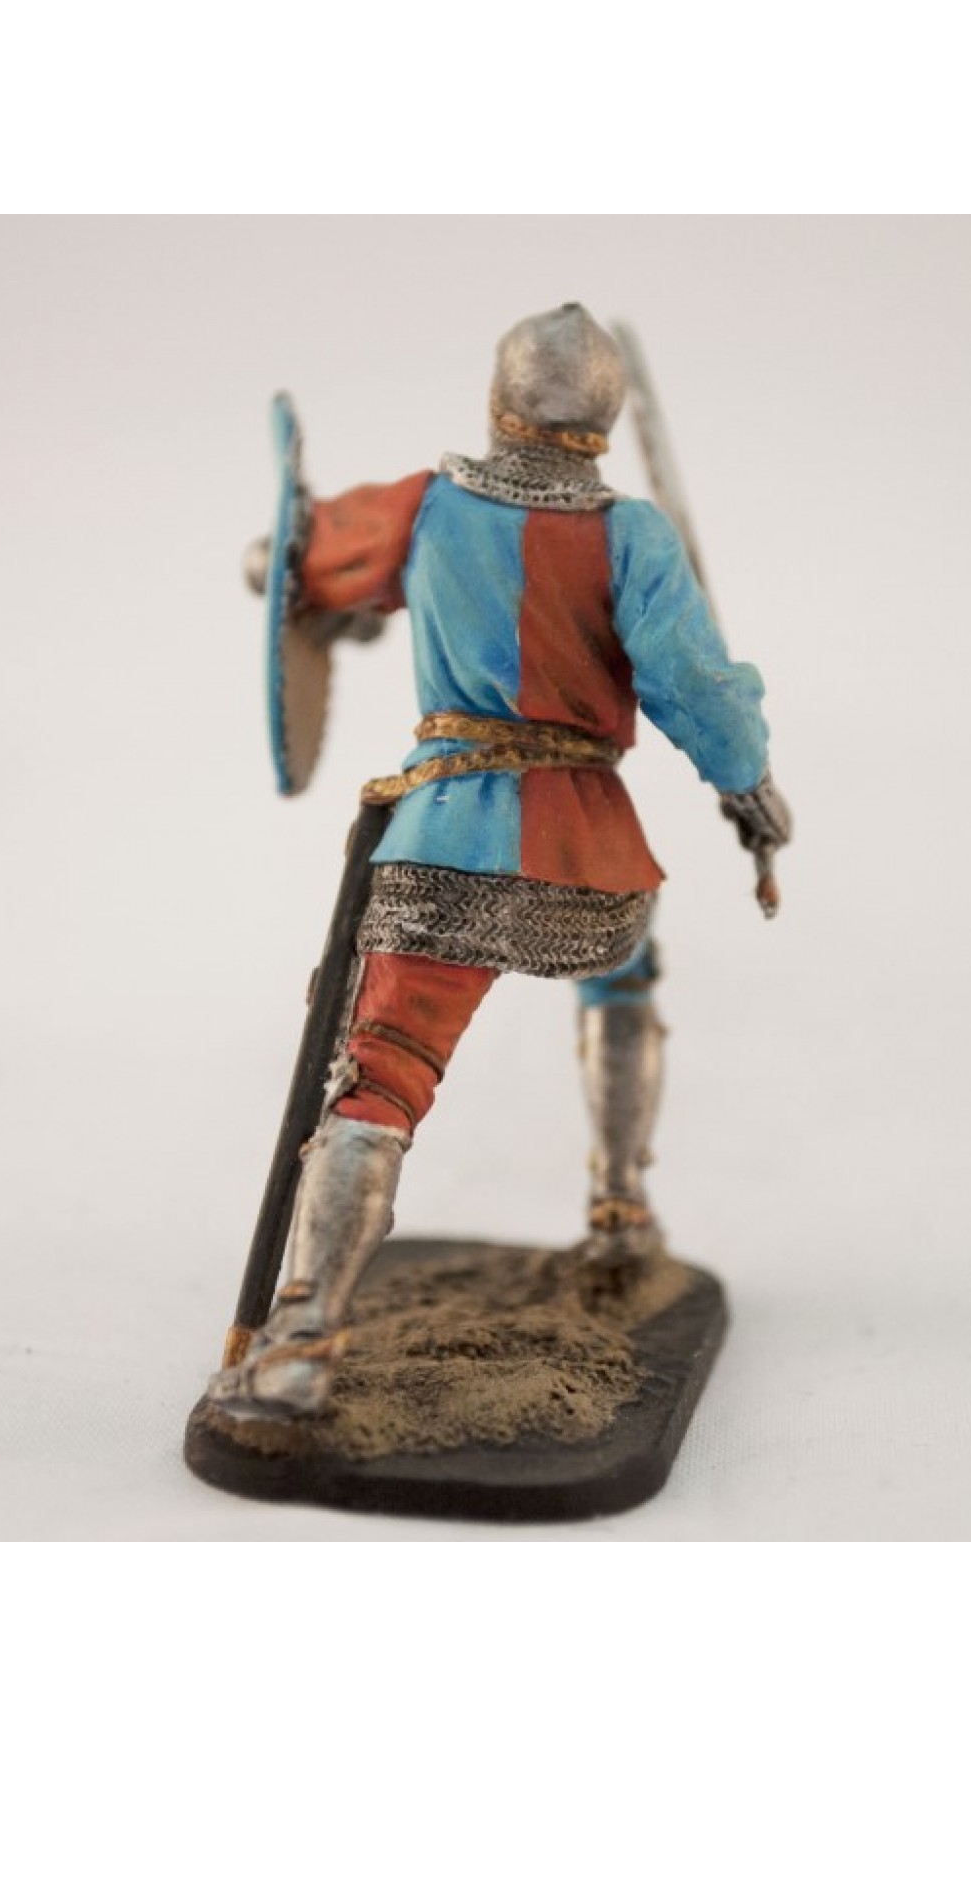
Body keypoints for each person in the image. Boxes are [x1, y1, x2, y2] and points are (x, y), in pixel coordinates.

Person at [210, 303, 791, 1418]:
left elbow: (288, 560)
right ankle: (620, 1207)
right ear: (600, 425)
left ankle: (301, 1339)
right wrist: (752, 784)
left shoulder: (423, 506)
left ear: (498, 401)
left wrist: (329, 593)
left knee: (378, 1077)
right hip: (588, 862)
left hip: (444, 847)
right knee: (623, 979)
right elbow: (699, 689)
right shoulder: (633, 536)